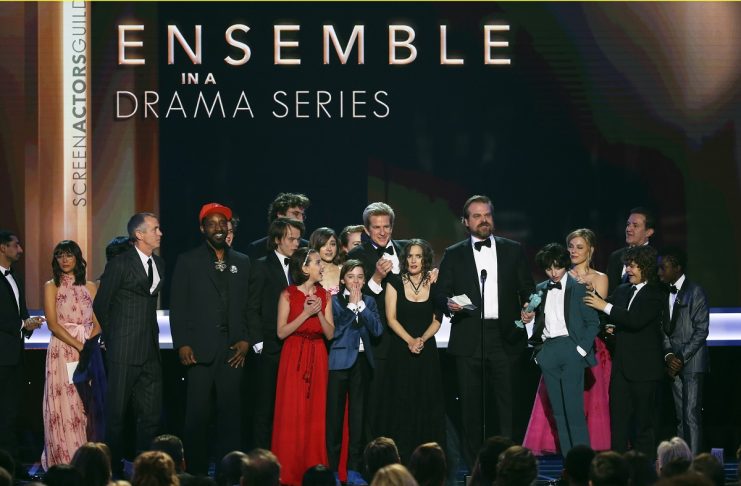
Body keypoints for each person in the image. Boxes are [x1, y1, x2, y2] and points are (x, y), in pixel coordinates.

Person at [437, 195, 535, 464]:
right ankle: (475, 467)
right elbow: (440, 293)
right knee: (470, 407)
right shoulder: (454, 253)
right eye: (477, 216)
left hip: (505, 338)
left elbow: (527, 289)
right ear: (465, 222)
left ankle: (511, 464)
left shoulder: (512, 250)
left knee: (507, 405)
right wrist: (448, 304)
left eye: (487, 215)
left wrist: (530, 305)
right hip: (468, 337)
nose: (483, 220)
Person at [170, 203, 250, 474]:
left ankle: (230, 472)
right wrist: (182, 342)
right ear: (202, 228)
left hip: (233, 349)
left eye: (223, 222)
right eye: (212, 223)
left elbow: (249, 305)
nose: (218, 227)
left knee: (231, 415)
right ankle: (196, 472)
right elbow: (178, 305)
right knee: (197, 417)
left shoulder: (242, 261)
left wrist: (246, 340)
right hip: (199, 349)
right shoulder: (188, 260)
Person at [524, 232, 610, 455]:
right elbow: (536, 319)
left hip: (571, 350)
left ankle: (582, 464)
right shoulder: (541, 288)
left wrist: (580, 350)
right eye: (548, 268)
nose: (553, 273)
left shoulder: (580, 287)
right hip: (549, 351)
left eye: (557, 267)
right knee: (559, 413)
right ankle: (568, 466)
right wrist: (538, 348)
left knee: (574, 411)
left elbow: (593, 323)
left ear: (564, 264)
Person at [93, 212, 165, 475]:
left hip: (150, 350)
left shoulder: (159, 263)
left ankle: (144, 470)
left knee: (151, 416)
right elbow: (101, 304)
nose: (160, 233)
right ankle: (111, 472)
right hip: (123, 350)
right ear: (140, 234)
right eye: (155, 229)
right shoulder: (121, 264)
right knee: (117, 416)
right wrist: (114, 339)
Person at [584, 245, 665, 457]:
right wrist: (593, 298)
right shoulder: (622, 290)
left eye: (633, 266)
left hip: (645, 371)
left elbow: (635, 319)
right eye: (627, 266)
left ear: (646, 267)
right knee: (618, 424)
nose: (628, 270)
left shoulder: (656, 293)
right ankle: (616, 469)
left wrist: (604, 307)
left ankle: (644, 472)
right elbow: (606, 311)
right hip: (621, 369)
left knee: (643, 425)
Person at [271, 247, 335, 486]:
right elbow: (281, 332)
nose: (322, 266)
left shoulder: (325, 295)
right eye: (317, 262)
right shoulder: (288, 294)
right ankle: (288, 472)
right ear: (304, 268)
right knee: (291, 412)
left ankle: (314, 472)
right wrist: (305, 313)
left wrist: (317, 313)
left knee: (315, 414)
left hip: (318, 355)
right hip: (293, 355)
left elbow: (330, 334)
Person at [379, 239, 445, 462]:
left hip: (427, 351)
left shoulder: (435, 282)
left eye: (418, 256)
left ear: (425, 259)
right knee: (402, 400)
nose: (413, 260)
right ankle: (402, 457)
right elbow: (391, 318)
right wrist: (409, 340)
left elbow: (438, 319)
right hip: (401, 350)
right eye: (409, 256)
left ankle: (428, 458)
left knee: (427, 400)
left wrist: (422, 340)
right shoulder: (394, 282)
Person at [347, 202, 408, 439]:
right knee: (376, 399)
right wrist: (376, 278)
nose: (382, 232)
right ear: (366, 229)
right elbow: (355, 298)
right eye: (376, 227)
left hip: (406, 336)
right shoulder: (357, 255)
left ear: (392, 227)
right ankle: (372, 452)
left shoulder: (406, 250)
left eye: (386, 227)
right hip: (377, 338)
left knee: (403, 396)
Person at [41, 241, 103, 468]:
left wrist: (88, 345)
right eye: (60, 256)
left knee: (87, 404)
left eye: (68, 255)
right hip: (63, 350)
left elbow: (98, 323)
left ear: (77, 258)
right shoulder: (51, 286)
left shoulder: (90, 287)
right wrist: (78, 345)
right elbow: (53, 325)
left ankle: (88, 459)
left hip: (88, 349)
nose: (64, 260)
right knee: (65, 403)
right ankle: (64, 459)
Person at [247, 217, 305, 449]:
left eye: (298, 238)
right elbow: (252, 306)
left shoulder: (302, 266)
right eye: (290, 239)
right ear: (276, 240)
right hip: (270, 346)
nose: (296, 243)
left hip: (296, 344)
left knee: (290, 405)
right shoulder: (261, 265)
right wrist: (258, 342)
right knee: (266, 405)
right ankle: (262, 458)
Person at [327, 260, 383, 473]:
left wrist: (361, 306)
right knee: (335, 417)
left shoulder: (369, 301)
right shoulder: (333, 301)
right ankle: (333, 469)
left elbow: (377, 330)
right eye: (351, 276)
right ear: (343, 280)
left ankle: (354, 468)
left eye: (360, 276)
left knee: (358, 418)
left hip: (362, 363)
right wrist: (351, 306)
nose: (356, 281)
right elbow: (336, 332)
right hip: (339, 364)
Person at [658, 247, 709, 455]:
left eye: (664, 267)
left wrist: (680, 357)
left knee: (691, 414)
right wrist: (669, 355)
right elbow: (662, 328)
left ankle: (696, 463)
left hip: (692, 362)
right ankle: (682, 461)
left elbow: (701, 330)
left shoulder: (695, 291)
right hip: (673, 363)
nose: (659, 271)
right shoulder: (662, 293)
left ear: (677, 268)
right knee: (680, 416)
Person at [0, 230, 44, 460]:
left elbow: (20, 312)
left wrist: (28, 323)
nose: (20, 250)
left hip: (16, 357)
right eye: (16, 245)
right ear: (2, 248)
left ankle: (10, 467)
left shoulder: (15, 277)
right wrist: (21, 324)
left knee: (11, 414)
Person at [245, 192, 310, 260]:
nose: (300, 219)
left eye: (302, 215)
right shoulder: (257, 248)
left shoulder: (308, 247)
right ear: (280, 214)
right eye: (296, 214)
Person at [607, 207, 656, 295]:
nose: (628, 229)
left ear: (648, 232)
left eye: (635, 225)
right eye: (628, 224)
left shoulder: (656, 259)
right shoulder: (615, 256)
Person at [310, 227, 342, 295]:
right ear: (315, 246)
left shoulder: (344, 271)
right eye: (324, 245)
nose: (329, 249)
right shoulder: (308, 273)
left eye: (333, 244)